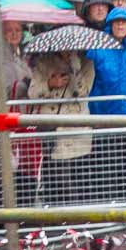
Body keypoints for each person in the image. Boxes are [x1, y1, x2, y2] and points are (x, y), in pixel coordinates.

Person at [27, 51, 96, 205]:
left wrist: (75, 69)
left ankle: (81, 216)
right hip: (53, 129)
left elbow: (83, 91)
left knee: (80, 175)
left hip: (77, 128)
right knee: (54, 176)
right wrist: (50, 84)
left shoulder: (86, 63)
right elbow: (32, 93)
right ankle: (56, 214)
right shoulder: (43, 63)